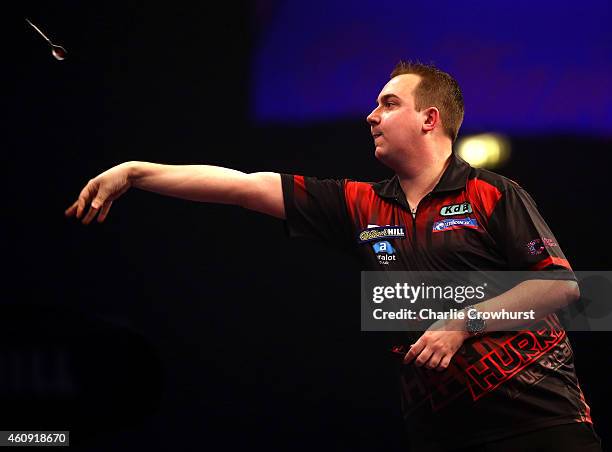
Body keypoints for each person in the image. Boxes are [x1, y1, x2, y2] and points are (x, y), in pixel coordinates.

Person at [66, 62, 602, 452]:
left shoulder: (493, 193)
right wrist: (136, 171)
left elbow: (563, 287)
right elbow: (241, 186)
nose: (371, 116)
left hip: (541, 426)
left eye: (389, 104)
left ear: (429, 119)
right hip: (442, 435)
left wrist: (463, 321)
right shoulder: (359, 204)